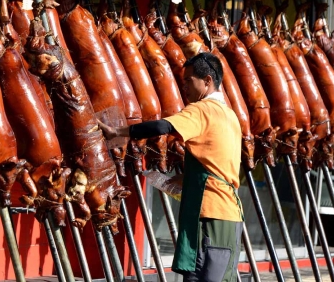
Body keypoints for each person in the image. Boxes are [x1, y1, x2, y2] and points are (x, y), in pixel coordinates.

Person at [98, 52, 244, 282]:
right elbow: (216, 163)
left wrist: (119, 132)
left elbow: (162, 127)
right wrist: (182, 180)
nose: (184, 87)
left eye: (188, 81)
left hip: (212, 215)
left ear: (207, 81)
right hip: (226, 215)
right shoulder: (230, 115)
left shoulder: (203, 109)